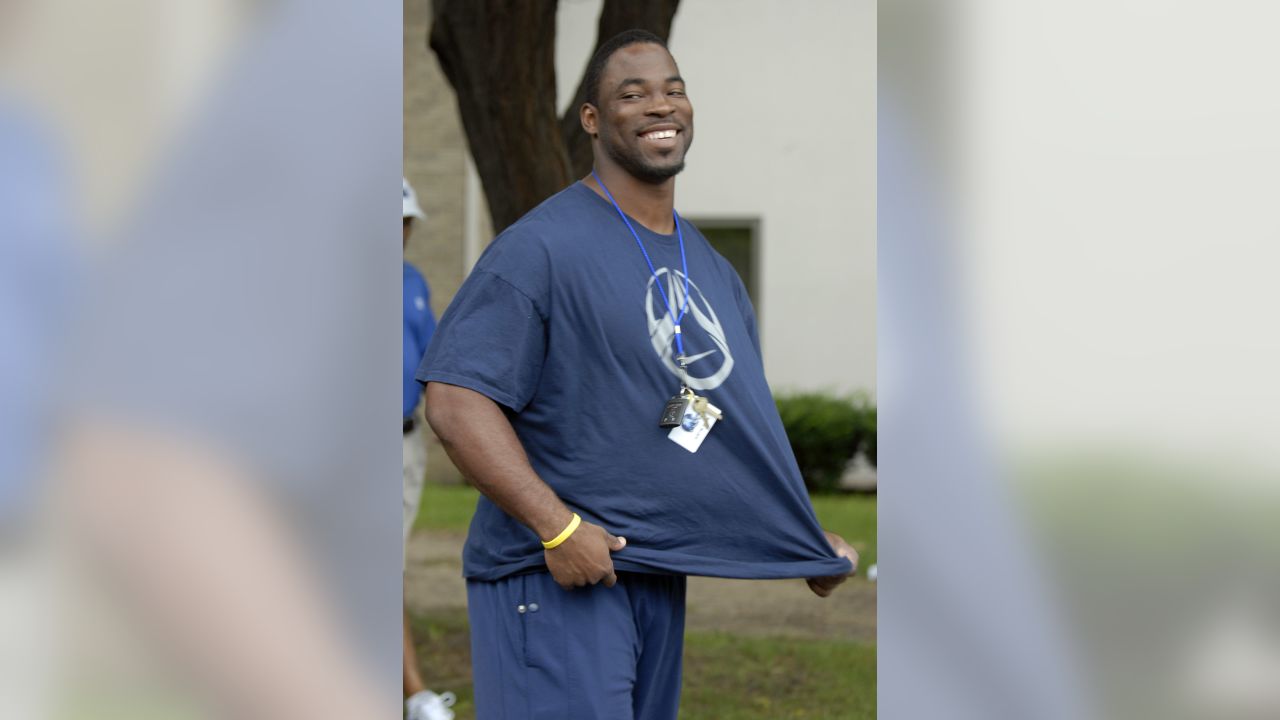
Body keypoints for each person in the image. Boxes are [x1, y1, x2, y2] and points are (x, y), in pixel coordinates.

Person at [418, 30, 857, 720]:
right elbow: (455, 399)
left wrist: (797, 538)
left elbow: (710, 421)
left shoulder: (710, 269)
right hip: (552, 572)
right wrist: (557, 528)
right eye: (633, 92)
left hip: (655, 570)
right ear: (592, 120)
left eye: (673, 89)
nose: (661, 105)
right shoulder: (541, 248)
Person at [401, 178, 455, 720]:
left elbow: (433, 362)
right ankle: (415, 694)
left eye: (403, 223)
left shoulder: (412, 281)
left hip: (406, 445)